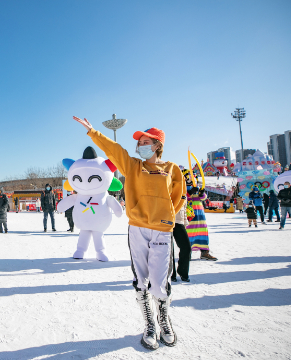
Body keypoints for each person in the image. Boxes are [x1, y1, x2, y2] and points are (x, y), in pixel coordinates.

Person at [74, 116, 184, 350]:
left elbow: (178, 198)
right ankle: (149, 325)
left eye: (146, 141)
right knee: (141, 279)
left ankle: (164, 321)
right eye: (140, 142)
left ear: (157, 145)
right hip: (137, 229)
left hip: (162, 230)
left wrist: (164, 215)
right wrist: (93, 132)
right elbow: (114, 150)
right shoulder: (133, 166)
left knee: (160, 281)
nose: (141, 145)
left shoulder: (172, 169)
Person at [185, 173, 217, 261]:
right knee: (189, 233)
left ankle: (204, 252)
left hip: (200, 213)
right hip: (189, 214)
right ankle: (187, 253)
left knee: (202, 231)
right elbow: (181, 197)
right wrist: (189, 192)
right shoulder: (181, 186)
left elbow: (203, 198)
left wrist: (201, 193)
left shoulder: (197, 187)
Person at [171, 189, 191, 283]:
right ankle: (171, 273)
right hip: (166, 221)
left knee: (186, 247)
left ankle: (183, 271)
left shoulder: (183, 189)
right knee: (169, 249)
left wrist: (184, 222)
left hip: (179, 222)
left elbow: (184, 208)